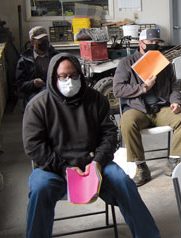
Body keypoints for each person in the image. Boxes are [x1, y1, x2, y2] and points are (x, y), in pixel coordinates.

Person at [23, 53, 160, 237]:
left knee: (123, 182)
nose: (69, 80)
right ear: (53, 77)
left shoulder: (96, 99)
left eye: (73, 75)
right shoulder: (38, 106)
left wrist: (97, 162)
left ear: (80, 74)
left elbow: (109, 134)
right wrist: (65, 169)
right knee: (40, 188)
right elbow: (34, 146)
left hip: (94, 165)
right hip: (54, 169)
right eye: (63, 76)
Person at [113, 29, 181, 187]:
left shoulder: (164, 63)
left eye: (157, 42)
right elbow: (117, 90)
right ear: (141, 43)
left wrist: (176, 101)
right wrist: (142, 88)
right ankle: (141, 166)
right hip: (137, 109)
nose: (155, 45)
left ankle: (173, 160)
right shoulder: (126, 63)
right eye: (151, 43)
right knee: (127, 122)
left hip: (161, 108)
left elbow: (175, 87)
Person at [16, 26, 58, 106]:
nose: (44, 42)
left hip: (55, 91)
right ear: (32, 42)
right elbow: (20, 86)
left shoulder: (56, 56)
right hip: (34, 94)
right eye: (40, 40)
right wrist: (33, 83)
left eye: (46, 38)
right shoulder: (24, 61)